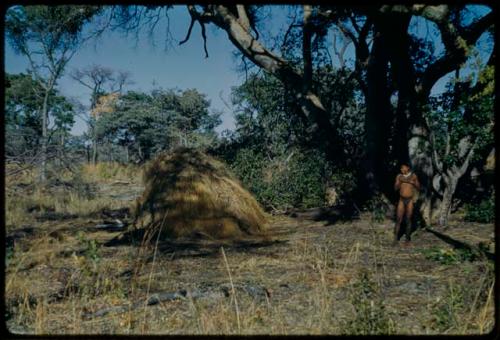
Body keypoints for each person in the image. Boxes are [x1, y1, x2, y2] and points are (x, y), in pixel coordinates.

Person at [394, 163, 420, 244]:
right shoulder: (399, 176)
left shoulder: (413, 176)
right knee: (398, 219)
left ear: (407, 168)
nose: (401, 169)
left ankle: (407, 239)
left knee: (408, 219)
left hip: (410, 200)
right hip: (401, 200)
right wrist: (399, 183)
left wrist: (413, 183)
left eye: (403, 168)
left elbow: (418, 187)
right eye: (401, 168)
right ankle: (395, 239)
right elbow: (395, 188)